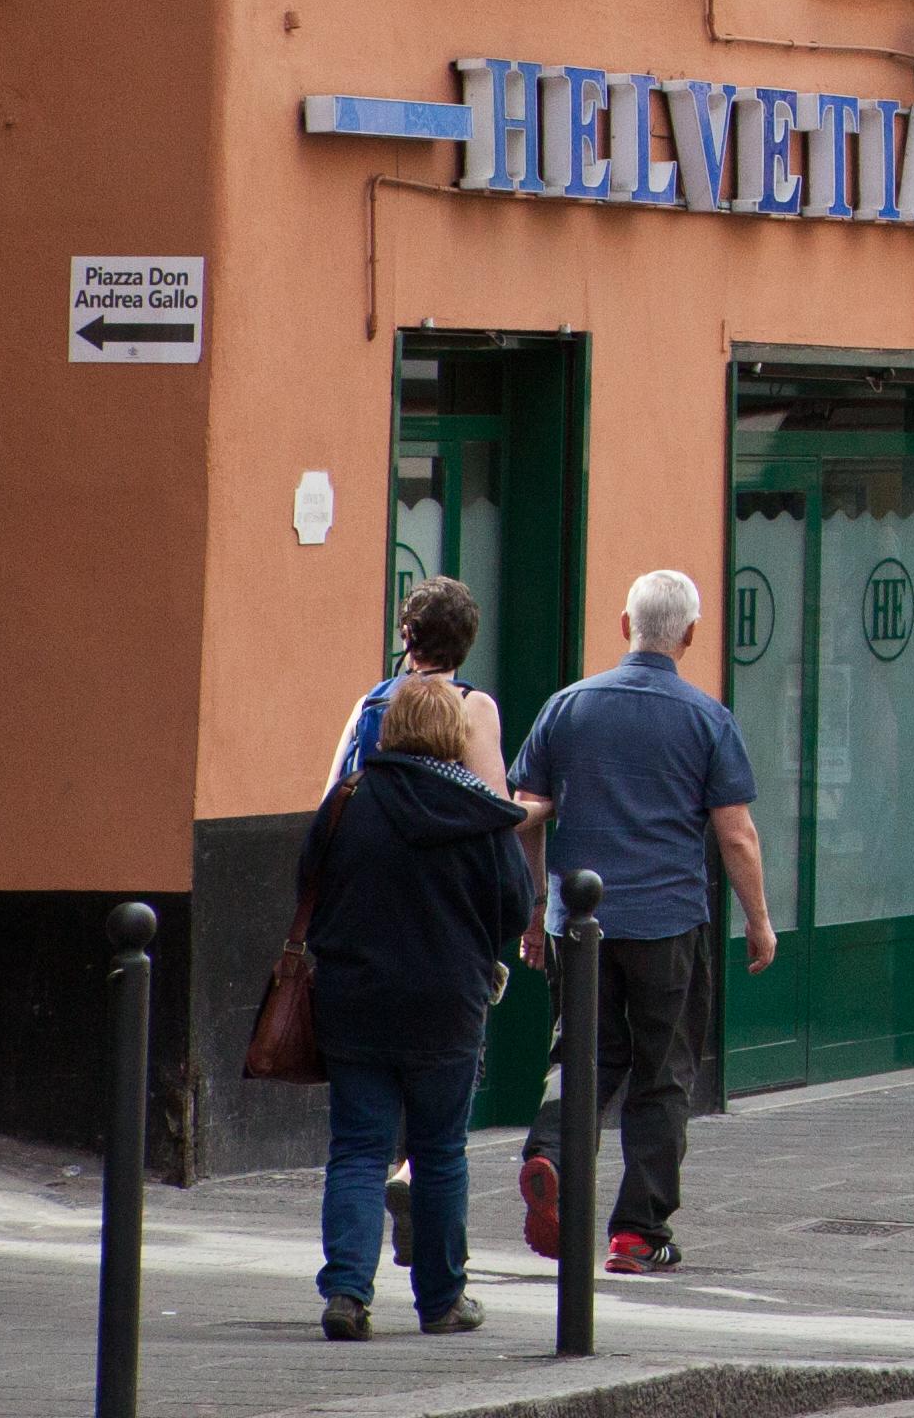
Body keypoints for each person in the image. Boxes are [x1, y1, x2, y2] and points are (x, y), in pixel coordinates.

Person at [512, 570, 774, 1277]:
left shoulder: (566, 707)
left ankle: (550, 1150)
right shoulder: (707, 718)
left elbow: (525, 814)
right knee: (664, 1073)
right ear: (690, 635)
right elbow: (737, 835)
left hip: (580, 924)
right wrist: (759, 921)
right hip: (669, 924)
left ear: (623, 624)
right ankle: (637, 1231)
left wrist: (536, 908)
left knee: (583, 1053)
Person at [300, 674, 532, 1341]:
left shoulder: (350, 801)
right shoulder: (481, 812)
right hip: (446, 1002)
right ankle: (441, 1300)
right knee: (438, 1150)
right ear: (456, 735)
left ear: (393, 728)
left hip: (356, 998)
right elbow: (514, 904)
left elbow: (307, 883)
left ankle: (347, 1291)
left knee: (359, 1149)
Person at [328, 579, 508, 796]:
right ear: (468, 638)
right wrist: (545, 807)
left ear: (407, 634)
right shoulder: (472, 706)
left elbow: (331, 798)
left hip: (371, 826)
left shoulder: (367, 704)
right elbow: (496, 805)